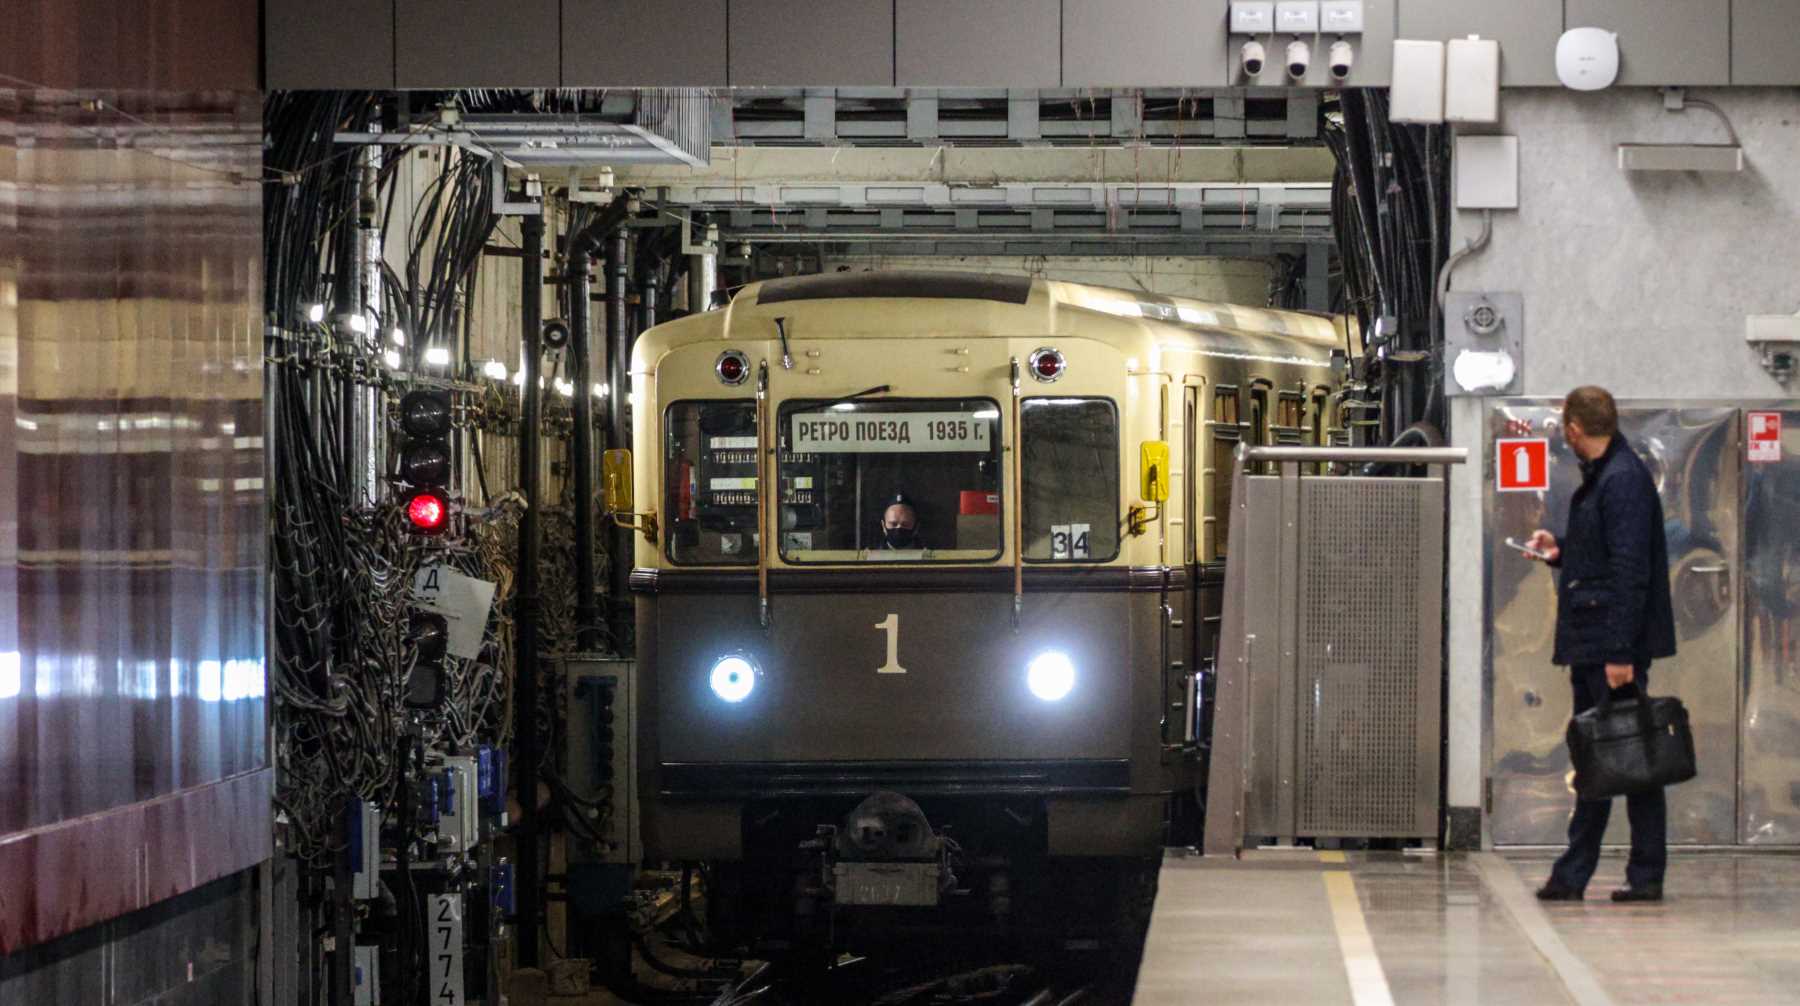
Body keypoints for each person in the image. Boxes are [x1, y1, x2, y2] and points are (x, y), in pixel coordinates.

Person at [1522, 386, 1677, 904]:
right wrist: (1559, 550)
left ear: (1572, 429)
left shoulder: (1621, 481)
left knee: (1618, 759)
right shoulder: (1611, 476)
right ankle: (1619, 873)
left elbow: (1631, 573)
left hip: (1606, 646)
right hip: (1599, 641)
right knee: (1619, 759)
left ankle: (1592, 873)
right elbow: (1605, 557)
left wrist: (1619, 654)